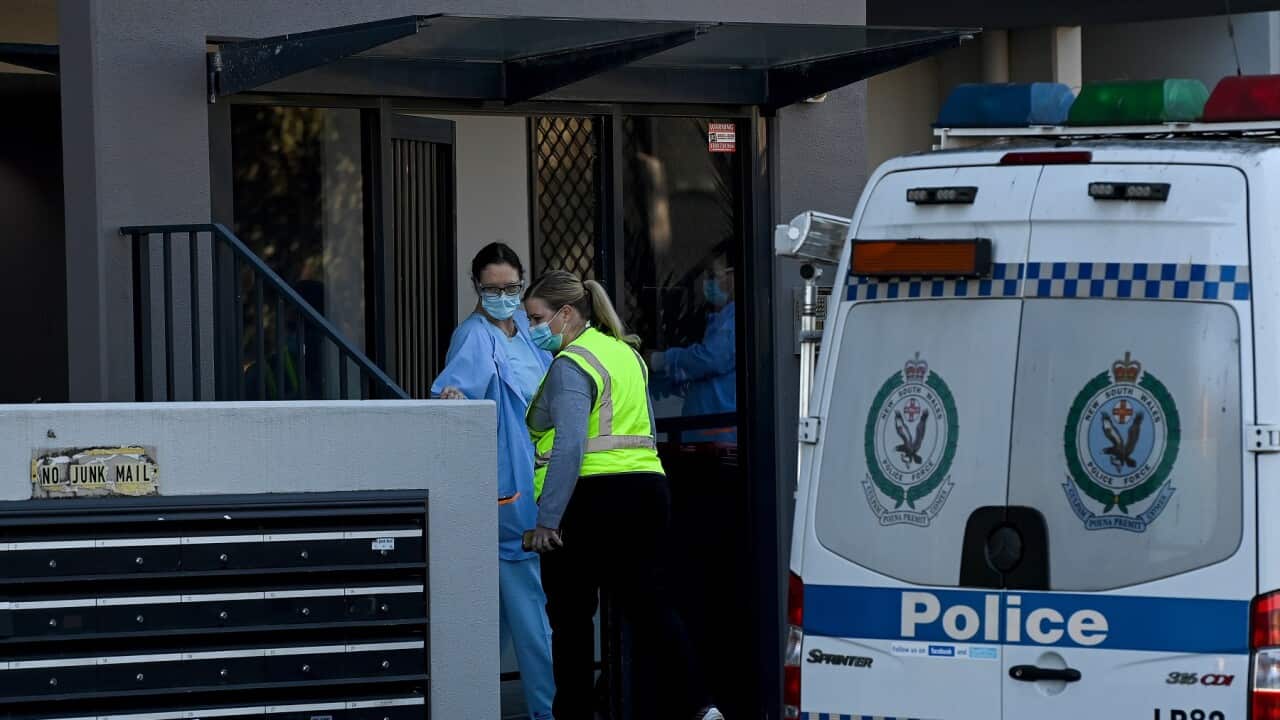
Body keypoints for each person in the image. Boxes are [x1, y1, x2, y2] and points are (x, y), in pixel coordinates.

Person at [522, 270, 723, 720]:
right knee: (652, 608)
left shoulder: (572, 363)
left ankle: (573, 715)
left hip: (590, 500)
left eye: (537, 318)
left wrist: (548, 520)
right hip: (648, 490)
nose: (531, 328)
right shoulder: (625, 354)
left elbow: (571, 445)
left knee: (571, 623)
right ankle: (700, 706)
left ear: (566, 314)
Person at [431, 243, 555, 720]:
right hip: (511, 492)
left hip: (541, 478)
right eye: (493, 289)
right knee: (531, 615)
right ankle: (548, 711)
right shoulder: (473, 336)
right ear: (477, 288)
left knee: (501, 615)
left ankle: (468, 705)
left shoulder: (527, 329)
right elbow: (453, 399)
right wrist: (454, 399)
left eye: (512, 287)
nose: (504, 296)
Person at [648, 249, 736, 443]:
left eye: (714, 276)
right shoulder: (717, 321)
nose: (708, 283)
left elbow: (711, 359)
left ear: (731, 278)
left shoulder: (734, 319)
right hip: (706, 431)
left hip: (720, 432)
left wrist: (662, 360)